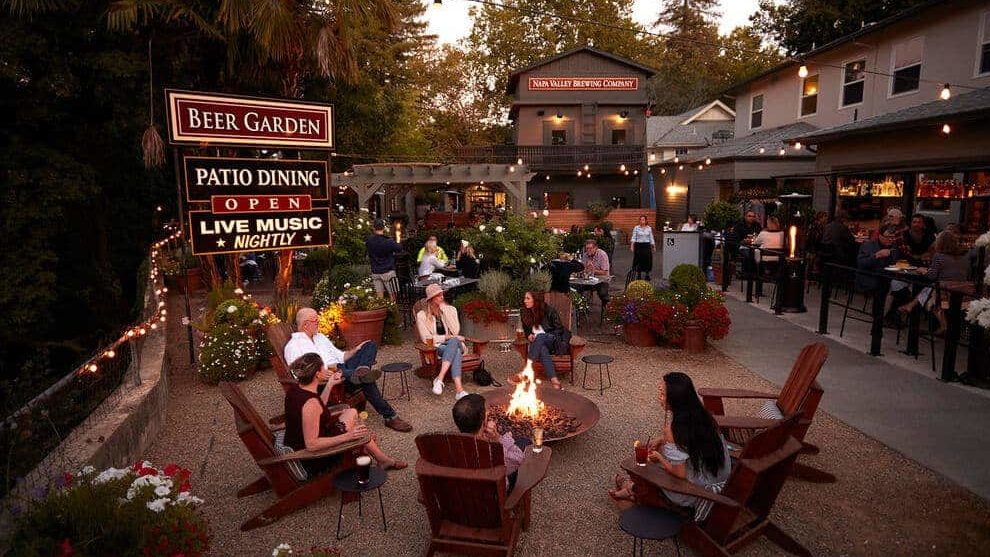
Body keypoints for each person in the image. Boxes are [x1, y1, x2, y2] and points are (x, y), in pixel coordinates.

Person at [609, 372, 731, 522]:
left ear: (675, 400)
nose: (658, 397)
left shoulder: (673, 431)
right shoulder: (702, 415)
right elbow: (691, 439)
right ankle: (630, 487)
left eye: (662, 393)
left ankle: (631, 488)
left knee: (646, 470)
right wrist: (662, 439)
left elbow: (679, 474)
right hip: (718, 477)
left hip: (696, 493)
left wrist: (659, 457)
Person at [285, 308, 413, 432]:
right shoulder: (294, 346)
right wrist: (321, 375)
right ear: (306, 324)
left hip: (342, 368)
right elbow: (298, 375)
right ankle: (389, 416)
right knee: (365, 379)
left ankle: (362, 369)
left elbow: (341, 356)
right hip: (328, 378)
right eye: (316, 320)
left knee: (369, 345)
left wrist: (355, 350)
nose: (319, 322)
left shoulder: (320, 337)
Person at [283, 353, 407, 477]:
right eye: (323, 368)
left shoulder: (296, 389)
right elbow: (312, 445)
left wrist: (330, 384)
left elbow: (318, 407)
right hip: (311, 458)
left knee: (351, 412)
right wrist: (348, 436)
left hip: (311, 436)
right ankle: (375, 454)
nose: (326, 370)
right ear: (317, 374)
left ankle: (372, 450)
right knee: (355, 429)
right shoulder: (310, 403)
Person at [899, 230, 968, 334]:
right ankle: (911, 306)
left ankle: (912, 308)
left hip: (944, 291)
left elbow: (931, 276)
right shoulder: (963, 258)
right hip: (961, 292)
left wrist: (923, 271)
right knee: (931, 289)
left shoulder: (939, 256)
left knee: (931, 292)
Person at [452, 394, 526, 489]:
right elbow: (518, 460)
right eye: (486, 412)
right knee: (524, 442)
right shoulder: (490, 451)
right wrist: (497, 438)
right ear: (483, 423)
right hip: (494, 496)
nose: (488, 413)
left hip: (464, 494)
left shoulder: (450, 446)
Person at [416, 284, 470, 400]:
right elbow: (426, 338)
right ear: (431, 299)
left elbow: (455, 330)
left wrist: (445, 310)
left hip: (455, 344)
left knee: (454, 342)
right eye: (438, 295)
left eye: (442, 294)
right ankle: (459, 390)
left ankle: (439, 378)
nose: (442, 297)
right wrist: (447, 337)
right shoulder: (421, 315)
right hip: (438, 347)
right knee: (454, 347)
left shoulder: (451, 310)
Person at [520, 291, 571, 390]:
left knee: (540, 337)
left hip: (553, 340)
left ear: (535, 300)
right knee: (542, 349)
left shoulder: (549, 311)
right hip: (538, 344)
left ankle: (526, 371)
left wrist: (544, 335)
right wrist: (529, 336)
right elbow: (526, 331)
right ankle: (555, 380)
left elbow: (559, 329)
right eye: (525, 298)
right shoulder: (524, 312)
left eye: (528, 298)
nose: (525, 301)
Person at [365, 219, 403, 298]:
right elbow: (399, 248)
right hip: (388, 271)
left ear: (373, 228)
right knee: (393, 296)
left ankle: (382, 309)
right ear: (383, 228)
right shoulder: (388, 241)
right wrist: (398, 238)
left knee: (380, 298)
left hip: (375, 271)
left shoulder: (369, 240)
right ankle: (392, 309)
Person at [581, 239, 611, 308]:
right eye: (587, 248)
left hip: (602, 280)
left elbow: (604, 272)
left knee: (603, 293)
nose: (588, 250)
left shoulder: (602, 255)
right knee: (577, 288)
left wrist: (592, 270)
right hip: (589, 280)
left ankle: (607, 309)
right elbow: (583, 269)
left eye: (590, 248)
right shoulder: (585, 255)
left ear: (596, 248)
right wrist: (585, 268)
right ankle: (581, 307)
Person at [630, 215, 656, 281]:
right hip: (639, 245)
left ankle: (647, 275)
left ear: (646, 221)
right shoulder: (636, 228)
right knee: (639, 260)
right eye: (640, 220)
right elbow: (633, 237)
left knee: (647, 260)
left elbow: (651, 238)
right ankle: (639, 275)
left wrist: (653, 246)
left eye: (643, 220)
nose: (642, 221)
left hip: (646, 246)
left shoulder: (649, 228)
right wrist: (632, 246)